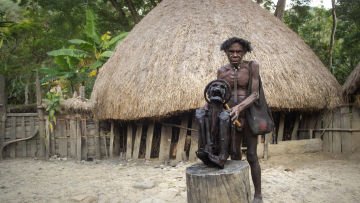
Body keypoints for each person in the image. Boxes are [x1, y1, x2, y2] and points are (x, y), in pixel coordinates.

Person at [218, 37, 262, 203]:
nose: (235, 54)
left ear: (244, 52)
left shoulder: (252, 67)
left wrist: (239, 108)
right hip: (231, 118)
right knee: (235, 155)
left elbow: (255, 94)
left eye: (238, 51)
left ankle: (258, 194)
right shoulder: (221, 72)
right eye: (231, 51)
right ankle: (238, 192)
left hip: (248, 116)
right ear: (226, 53)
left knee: (251, 155)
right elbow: (219, 94)